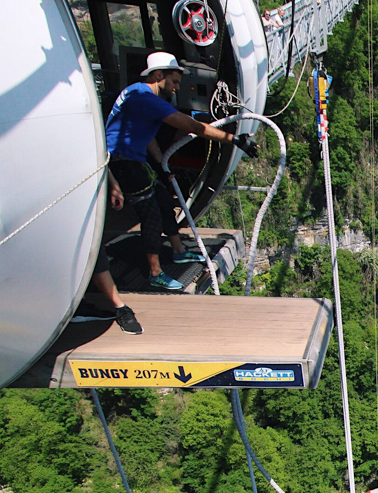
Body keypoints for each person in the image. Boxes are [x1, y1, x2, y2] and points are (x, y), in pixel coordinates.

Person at [104, 51, 258, 290]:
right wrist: (235, 139)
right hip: (122, 163)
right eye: (174, 81)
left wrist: (162, 166)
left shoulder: (137, 93)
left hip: (131, 160)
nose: (177, 88)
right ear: (158, 75)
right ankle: (155, 272)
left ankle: (178, 251)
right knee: (151, 215)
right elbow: (193, 126)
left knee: (165, 202)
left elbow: (146, 136)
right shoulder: (146, 99)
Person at [71, 169, 143, 333]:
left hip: (81, 191)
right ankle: (83, 305)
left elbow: (100, 158)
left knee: (93, 248)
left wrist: (113, 184)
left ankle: (119, 307)